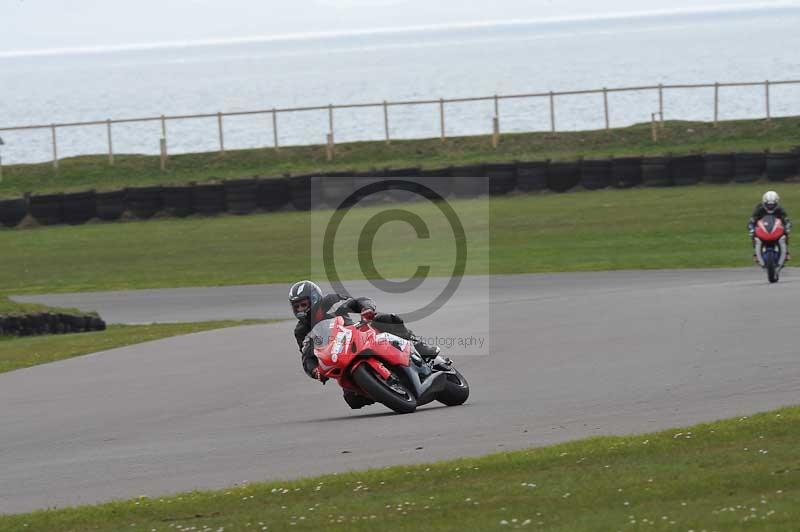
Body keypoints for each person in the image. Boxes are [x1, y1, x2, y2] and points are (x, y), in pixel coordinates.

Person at [288, 280, 441, 409]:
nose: (301, 310)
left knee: (385, 319)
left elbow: (356, 301)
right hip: (339, 357)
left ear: (314, 298)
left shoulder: (330, 302)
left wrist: (366, 308)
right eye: (297, 307)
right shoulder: (301, 331)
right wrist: (315, 371)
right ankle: (383, 390)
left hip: (358, 335)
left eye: (303, 305)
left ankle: (419, 346)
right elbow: (307, 356)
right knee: (352, 400)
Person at [748, 190, 792, 262]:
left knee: (786, 233)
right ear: (764, 202)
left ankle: (786, 252)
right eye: (768, 204)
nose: (770, 206)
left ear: (776, 202)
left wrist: (787, 226)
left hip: (776, 228)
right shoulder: (759, 208)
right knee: (753, 234)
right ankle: (756, 253)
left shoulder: (780, 209)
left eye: (772, 204)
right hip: (762, 228)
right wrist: (751, 228)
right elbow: (752, 220)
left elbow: (786, 219)